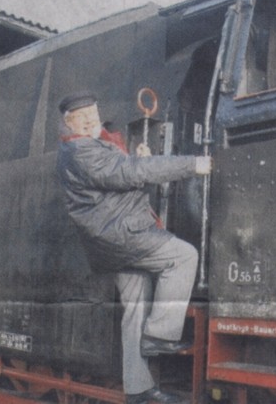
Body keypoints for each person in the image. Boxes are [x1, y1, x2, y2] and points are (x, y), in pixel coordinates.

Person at [56, 91, 212, 404]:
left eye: (92, 113)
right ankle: (160, 335)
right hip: (122, 236)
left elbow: (121, 173)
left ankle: (138, 388)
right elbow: (128, 173)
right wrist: (192, 164)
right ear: (68, 123)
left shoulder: (87, 147)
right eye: (80, 116)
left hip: (109, 241)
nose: (89, 120)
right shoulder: (82, 150)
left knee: (136, 306)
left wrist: (136, 159)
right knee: (183, 256)